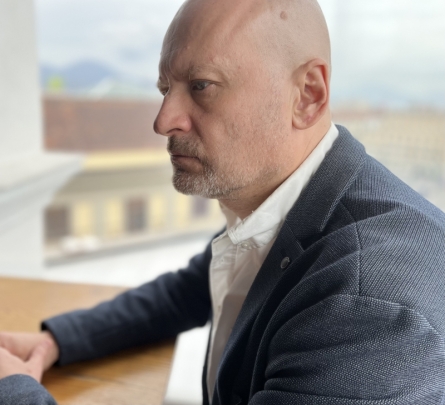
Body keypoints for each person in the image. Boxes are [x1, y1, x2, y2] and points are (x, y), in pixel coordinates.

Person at [1, 0, 445, 403]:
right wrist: (56, 342)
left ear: (307, 95)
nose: (163, 121)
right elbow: (185, 292)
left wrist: (13, 390)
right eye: (165, 89)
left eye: (201, 85)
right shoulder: (285, 206)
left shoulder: (368, 307)